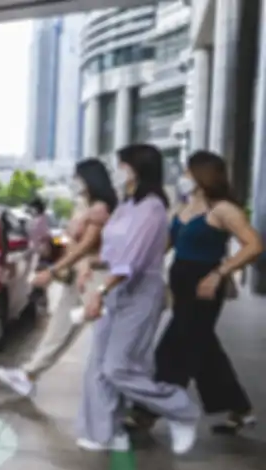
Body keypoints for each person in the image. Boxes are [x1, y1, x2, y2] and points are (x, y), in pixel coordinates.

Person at [126, 151, 263, 435]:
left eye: (188, 172)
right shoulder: (183, 208)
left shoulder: (223, 209)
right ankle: (239, 408)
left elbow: (254, 245)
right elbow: (163, 246)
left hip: (205, 287)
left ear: (202, 175)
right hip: (181, 284)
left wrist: (219, 273)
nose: (183, 178)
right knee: (203, 348)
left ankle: (146, 412)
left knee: (174, 348)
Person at [77, 143, 201, 454]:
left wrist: (100, 291)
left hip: (139, 293)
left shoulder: (152, 208)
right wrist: (95, 264)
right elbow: (115, 252)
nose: (117, 171)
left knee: (118, 367)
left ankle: (180, 410)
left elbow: (132, 261)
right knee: (98, 366)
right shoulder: (126, 205)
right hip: (116, 288)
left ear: (135, 169)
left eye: (121, 165)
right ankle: (108, 432)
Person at [0, 159, 117, 398]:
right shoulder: (84, 205)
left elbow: (86, 245)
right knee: (60, 326)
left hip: (93, 275)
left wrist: (51, 271)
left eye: (79, 178)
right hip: (77, 273)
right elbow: (73, 242)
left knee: (107, 340)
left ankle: (122, 395)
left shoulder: (100, 208)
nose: (76, 182)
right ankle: (29, 374)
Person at [26, 197, 52, 264]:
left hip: (39, 250)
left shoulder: (41, 219)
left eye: (31, 208)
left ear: (36, 208)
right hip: (33, 249)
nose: (30, 210)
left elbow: (45, 234)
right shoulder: (35, 219)